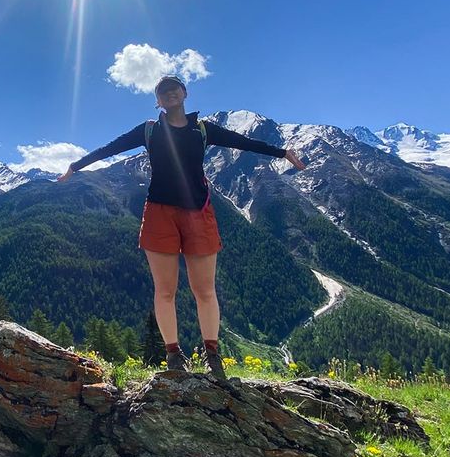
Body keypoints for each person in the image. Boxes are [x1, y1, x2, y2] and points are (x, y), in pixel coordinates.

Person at [57, 75, 306, 380]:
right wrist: (76, 166)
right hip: (160, 212)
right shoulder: (149, 130)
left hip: (198, 212)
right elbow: (112, 148)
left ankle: (212, 356)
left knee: (204, 289)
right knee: (165, 291)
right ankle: (174, 355)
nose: (170, 92)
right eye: (163, 91)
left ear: (185, 93)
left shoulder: (202, 129)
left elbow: (242, 142)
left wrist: (281, 153)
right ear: (158, 101)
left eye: (174, 88)